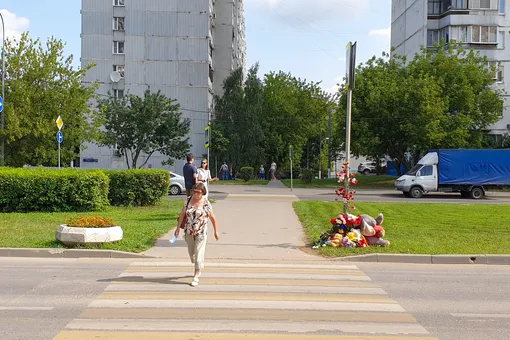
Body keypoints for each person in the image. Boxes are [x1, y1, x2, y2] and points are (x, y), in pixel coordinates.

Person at [174, 182, 219, 286]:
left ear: (203, 193)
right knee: (192, 254)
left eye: (198, 192)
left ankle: (196, 275)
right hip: (189, 231)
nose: (196, 194)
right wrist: (177, 229)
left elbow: (212, 217)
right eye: (194, 192)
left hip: (201, 231)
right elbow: (182, 215)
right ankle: (198, 264)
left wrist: (216, 231)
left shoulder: (206, 203)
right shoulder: (188, 200)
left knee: (199, 253)